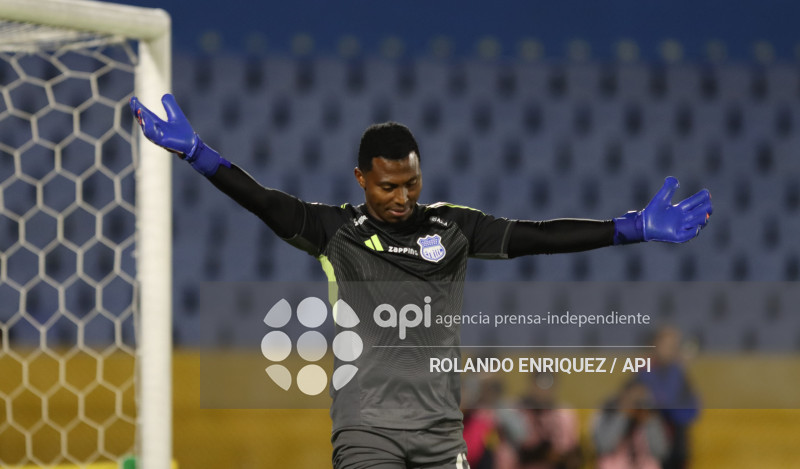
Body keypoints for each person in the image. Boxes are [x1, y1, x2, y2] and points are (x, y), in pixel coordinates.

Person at [131, 94, 713, 469]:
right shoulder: (335, 232)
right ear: (361, 179)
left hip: (441, 435)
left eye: (411, 183)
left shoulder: (452, 227)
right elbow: (264, 201)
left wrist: (631, 228)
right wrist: (198, 154)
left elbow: (537, 236)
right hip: (367, 432)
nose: (402, 196)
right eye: (388, 186)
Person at [637, 326, 700, 469]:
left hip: (677, 444)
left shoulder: (677, 372)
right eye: (667, 345)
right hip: (650, 445)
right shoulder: (645, 371)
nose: (671, 349)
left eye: (674, 345)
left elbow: (692, 409)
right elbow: (654, 401)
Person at [592, 380, 670, 469]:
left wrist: (648, 419)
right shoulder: (608, 412)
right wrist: (623, 415)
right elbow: (604, 446)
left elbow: (661, 452)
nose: (637, 405)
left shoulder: (652, 417)